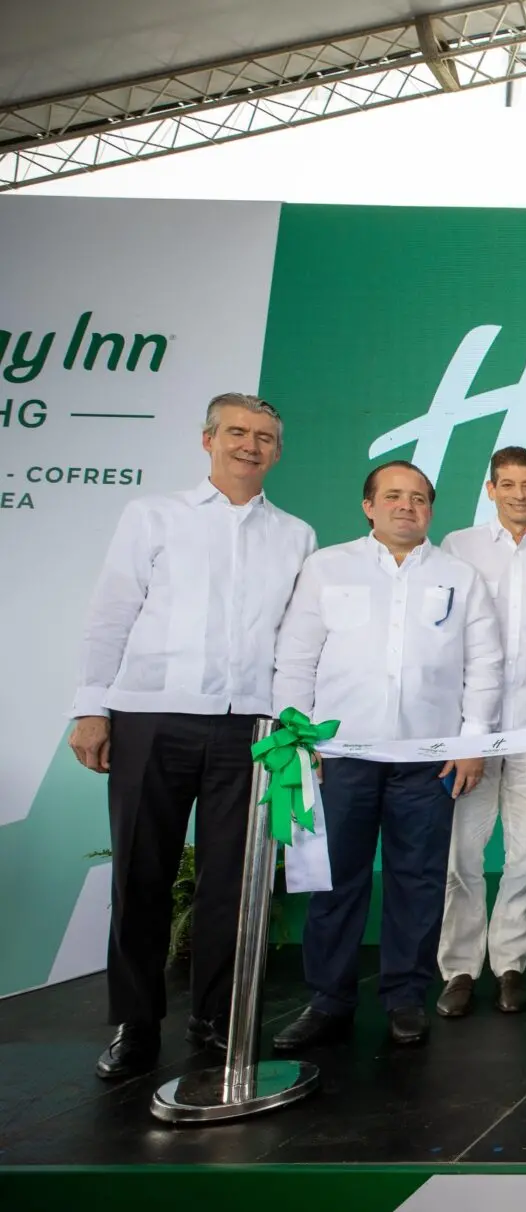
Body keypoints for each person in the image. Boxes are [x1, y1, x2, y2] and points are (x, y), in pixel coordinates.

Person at [70, 394, 316, 1079]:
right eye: (237, 432)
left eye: (264, 436)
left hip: (251, 727)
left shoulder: (296, 535)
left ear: (277, 451)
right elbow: (111, 614)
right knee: (141, 873)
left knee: (233, 882)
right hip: (151, 715)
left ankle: (216, 1019)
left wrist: (293, 729)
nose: (250, 445)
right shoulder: (152, 515)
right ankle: (136, 1023)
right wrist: (91, 707)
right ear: (208, 440)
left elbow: (295, 642)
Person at [271, 461, 501, 1049]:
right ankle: (328, 1001)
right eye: (394, 496)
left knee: (418, 882)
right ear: (368, 506)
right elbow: (296, 659)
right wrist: (297, 740)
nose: (407, 507)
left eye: (419, 498)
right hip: (337, 756)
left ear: (431, 510)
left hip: (429, 758)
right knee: (336, 881)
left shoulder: (459, 576)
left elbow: (484, 663)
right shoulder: (327, 568)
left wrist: (472, 741)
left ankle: (405, 998)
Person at [436, 447, 526, 1018]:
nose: (520, 494)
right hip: (473, 727)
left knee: (525, 853)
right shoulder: (457, 548)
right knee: (463, 855)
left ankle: (510, 964)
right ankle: (459, 969)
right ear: (491, 489)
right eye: (508, 484)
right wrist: (461, 730)